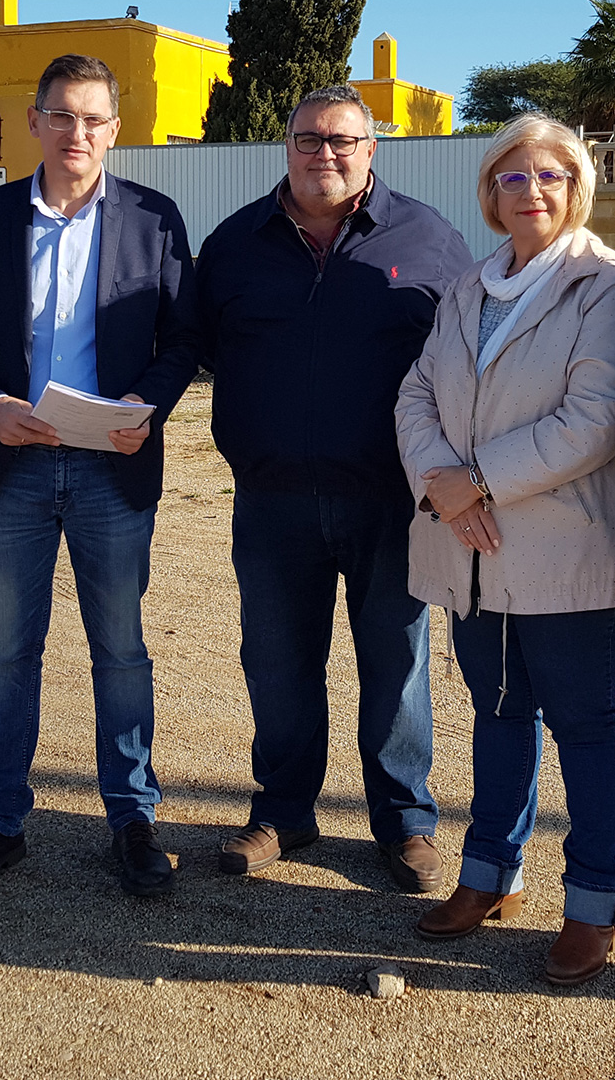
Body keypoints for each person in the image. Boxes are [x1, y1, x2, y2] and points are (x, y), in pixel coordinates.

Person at [0, 53, 200, 902]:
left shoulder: (155, 219)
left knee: (121, 652)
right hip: (11, 467)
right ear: (37, 121)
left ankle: (131, 819)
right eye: (62, 116)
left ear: (115, 131)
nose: (78, 133)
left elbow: (184, 339)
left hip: (109, 469)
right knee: (9, 653)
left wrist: (144, 405)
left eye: (94, 119)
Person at [393, 113, 615, 984]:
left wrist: (476, 480)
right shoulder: (472, 284)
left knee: (583, 725)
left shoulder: (605, 288)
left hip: (565, 553)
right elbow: (418, 390)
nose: (531, 191)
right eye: (513, 177)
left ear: (575, 186)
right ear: (491, 193)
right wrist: (440, 482)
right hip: (472, 552)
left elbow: (593, 421)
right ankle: (488, 875)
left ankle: (593, 904)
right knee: (499, 718)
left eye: (549, 175)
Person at [195, 83, 474, 893]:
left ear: (371, 149)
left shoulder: (429, 239)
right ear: (286, 146)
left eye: (343, 141)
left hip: (392, 499)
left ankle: (405, 822)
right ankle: (284, 811)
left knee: (396, 661)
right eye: (310, 139)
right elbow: (211, 344)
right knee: (277, 661)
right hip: (273, 497)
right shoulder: (237, 242)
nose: (326, 154)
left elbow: (456, 359)